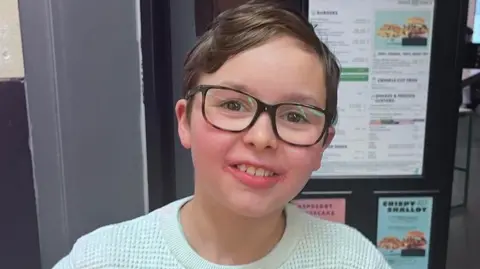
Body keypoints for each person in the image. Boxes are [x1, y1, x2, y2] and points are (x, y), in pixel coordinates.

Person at [53, 1, 392, 268]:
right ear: (185, 122)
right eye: (232, 105)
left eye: (294, 115)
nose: (262, 137)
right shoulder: (103, 260)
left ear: (322, 145)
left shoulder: (354, 261)